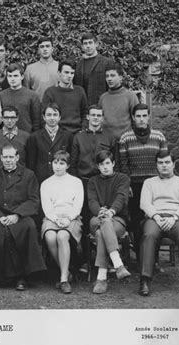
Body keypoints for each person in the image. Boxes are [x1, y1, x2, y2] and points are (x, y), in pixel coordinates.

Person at [0, 145, 46, 290]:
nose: (8, 160)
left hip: (21, 215)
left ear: (17, 158)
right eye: (5, 157)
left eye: (11, 157)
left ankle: (22, 277)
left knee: (27, 228)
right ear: (0, 158)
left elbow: (33, 200)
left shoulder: (28, 175)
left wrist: (17, 215)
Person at [139, 153, 179, 298]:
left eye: (167, 162)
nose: (164, 165)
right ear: (156, 165)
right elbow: (144, 203)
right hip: (154, 218)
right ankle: (144, 280)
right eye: (160, 162)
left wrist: (174, 217)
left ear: (173, 164)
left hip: (176, 218)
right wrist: (156, 216)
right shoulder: (149, 182)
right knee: (148, 235)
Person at [70, 105, 116, 271]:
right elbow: (73, 164)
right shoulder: (78, 137)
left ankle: (106, 259)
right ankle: (85, 260)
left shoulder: (109, 137)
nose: (95, 118)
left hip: (104, 183)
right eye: (93, 115)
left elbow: (114, 162)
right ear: (87, 117)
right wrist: (75, 185)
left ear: (102, 118)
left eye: (99, 115)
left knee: (102, 217)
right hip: (83, 182)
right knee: (85, 219)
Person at [118, 103, 168, 250]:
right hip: (135, 186)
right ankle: (142, 257)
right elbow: (123, 165)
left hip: (155, 185)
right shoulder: (125, 138)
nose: (141, 119)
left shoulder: (158, 136)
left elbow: (164, 163)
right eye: (138, 116)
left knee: (155, 219)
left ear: (149, 117)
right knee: (137, 221)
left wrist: (164, 184)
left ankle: (155, 257)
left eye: (144, 116)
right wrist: (127, 185)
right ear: (133, 118)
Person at [87, 150, 131, 294]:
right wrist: (100, 211)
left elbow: (122, 197)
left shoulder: (123, 178)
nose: (105, 167)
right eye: (101, 164)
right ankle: (118, 264)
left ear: (113, 164)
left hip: (117, 220)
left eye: (107, 163)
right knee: (102, 223)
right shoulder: (93, 181)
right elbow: (92, 200)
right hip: (96, 218)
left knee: (100, 233)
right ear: (98, 166)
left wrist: (111, 211)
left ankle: (101, 278)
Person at [40, 150, 83, 294]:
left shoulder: (76, 182)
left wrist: (68, 218)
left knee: (62, 236)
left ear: (68, 165)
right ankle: (67, 270)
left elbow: (77, 206)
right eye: (55, 162)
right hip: (52, 217)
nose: (58, 166)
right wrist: (56, 219)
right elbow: (47, 207)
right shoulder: (46, 183)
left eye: (62, 163)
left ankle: (63, 279)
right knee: (50, 236)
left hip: (71, 217)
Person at [26, 103, 74, 184]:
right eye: (49, 115)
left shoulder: (68, 136)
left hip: (62, 179)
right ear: (44, 117)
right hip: (41, 180)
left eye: (55, 115)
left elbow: (70, 161)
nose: (52, 118)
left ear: (59, 117)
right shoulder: (34, 137)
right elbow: (31, 163)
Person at [42, 59, 88, 134]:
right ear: (59, 73)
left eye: (72, 73)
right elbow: (44, 116)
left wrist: (83, 130)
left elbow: (85, 113)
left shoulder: (80, 91)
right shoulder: (50, 92)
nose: (69, 76)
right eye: (66, 72)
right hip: (57, 134)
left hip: (77, 133)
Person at [98, 63, 139, 139]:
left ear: (120, 78)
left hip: (125, 141)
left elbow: (137, 121)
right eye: (107, 76)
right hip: (106, 142)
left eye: (112, 75)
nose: (109, 79)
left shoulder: (130, 96)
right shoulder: (103, 97)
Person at [73, 32, 115, 106]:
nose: (88, 46)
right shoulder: (78, 64)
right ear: (82, 47)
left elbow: (112, 86)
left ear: (96, 44)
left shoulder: (107, 62)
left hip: (101, 104)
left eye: (90, 43)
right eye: (85, 44)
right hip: (83, 105)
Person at [0, 63, 41, 133]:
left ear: (22, 77)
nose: (12, 79)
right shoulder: (1, 95)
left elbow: (36, 121)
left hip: (27, 136)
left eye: (15, 76)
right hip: (7, 137)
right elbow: (0, 120)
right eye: (10, 76)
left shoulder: (32, 96)